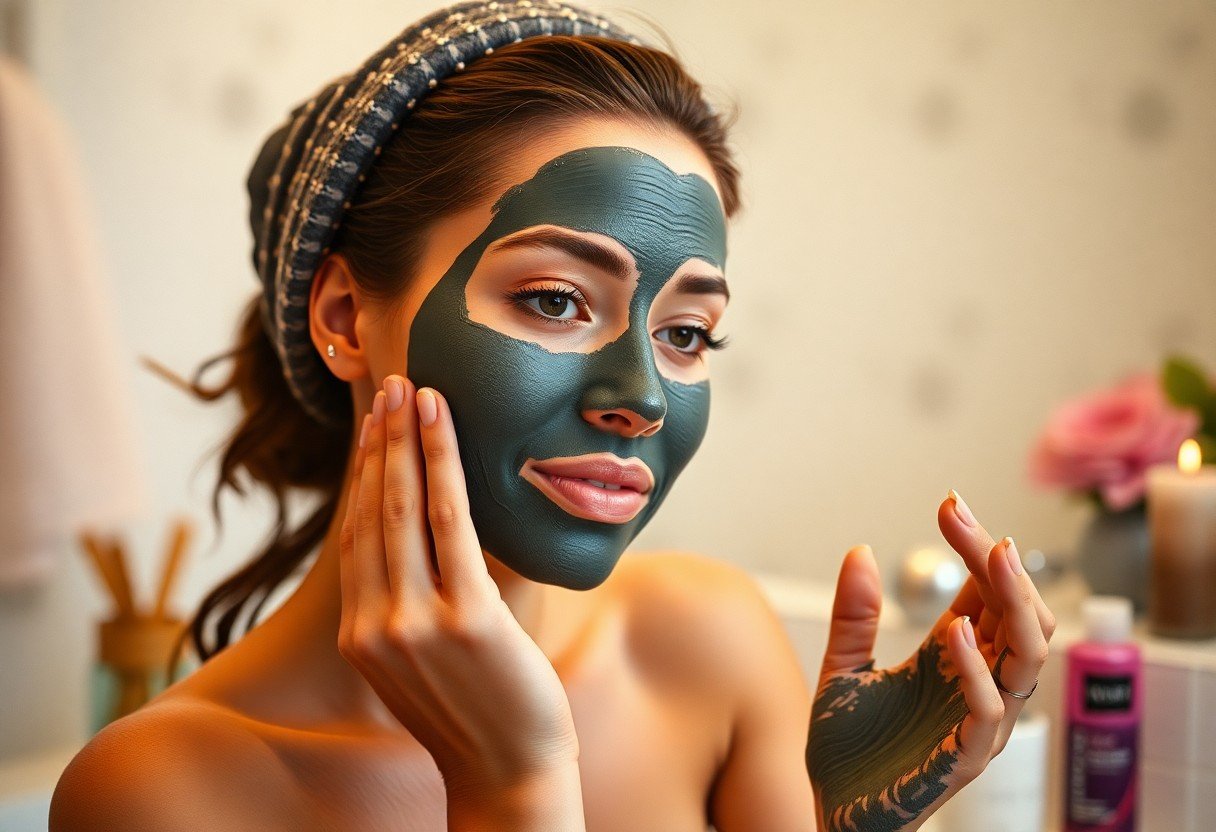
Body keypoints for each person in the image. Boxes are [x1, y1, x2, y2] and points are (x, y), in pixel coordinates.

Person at [50, 2, 1056, 830]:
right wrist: (513, 784)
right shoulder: (160, 793)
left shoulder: (703, 648)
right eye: (555, 300)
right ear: (348, 317)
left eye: (688, 333)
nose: (643, 398)